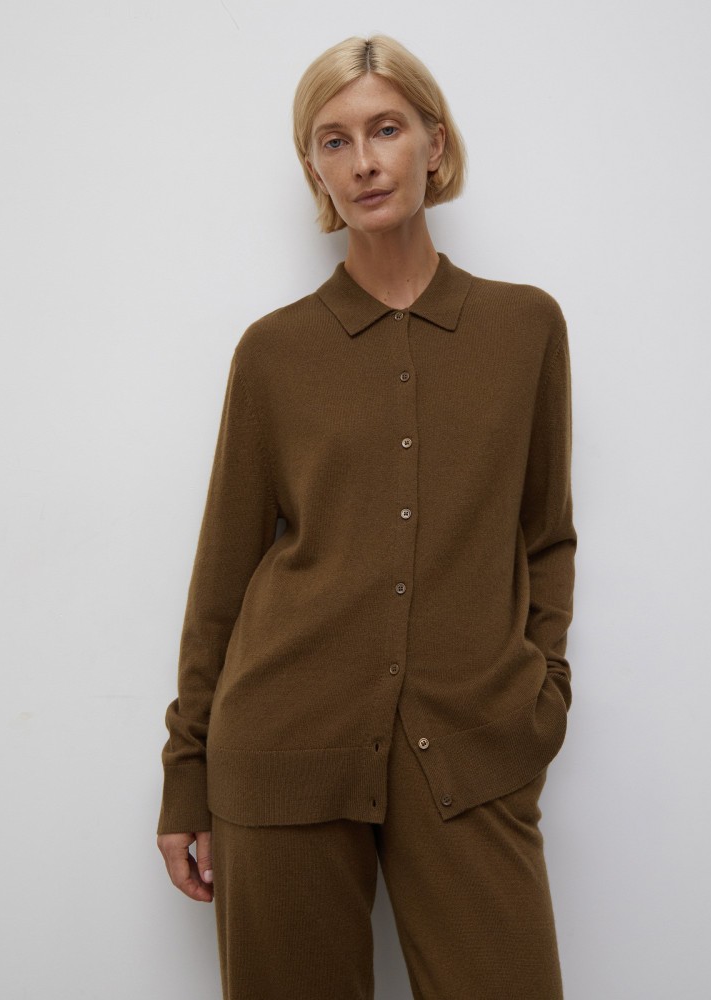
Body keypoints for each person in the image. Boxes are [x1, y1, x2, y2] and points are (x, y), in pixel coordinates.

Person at [157, 33, 577, 1000]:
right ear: (314, 167)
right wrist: (187, 773)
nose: (364, 162)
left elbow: (544, 536)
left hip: (474, 749)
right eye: (334, 140)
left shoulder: (525, 328)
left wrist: (539, 695)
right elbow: (223, 576)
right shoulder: (274, 354)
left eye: (386, 129)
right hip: (283, 750)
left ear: (435, 142)